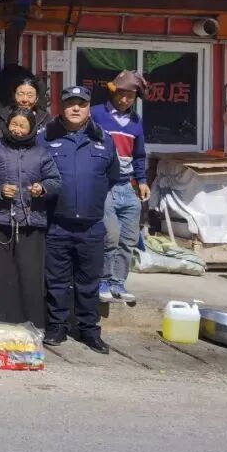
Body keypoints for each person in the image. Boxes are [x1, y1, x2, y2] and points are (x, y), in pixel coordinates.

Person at [39, 85, 120, 353]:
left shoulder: (104, 140)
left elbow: (111, 177)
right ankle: (57, 327)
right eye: (70, 103)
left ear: (88, 108)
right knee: (56, 281)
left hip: (91, 225)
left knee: (89, 282)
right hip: (57, 223)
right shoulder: (45, 138)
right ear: (61, 107)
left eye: (81, 104)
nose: (75, 108)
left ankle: (89, 331)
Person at [0, 107, 61, 326]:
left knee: (29, 276)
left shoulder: (41, 153)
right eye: (14, 124)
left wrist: (42, 188)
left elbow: (55, 180)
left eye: (23, 126)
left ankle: (29, 325)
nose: (17, 130)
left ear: (31, 129)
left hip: (31, 220)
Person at [92, 70, 150, 304]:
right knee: (110, 236)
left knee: (128, 238)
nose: (125, 100)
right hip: (104, 185)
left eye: (131, 96)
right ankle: (103, 281)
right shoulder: (96, 113)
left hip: (128, 186)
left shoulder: (136, 121)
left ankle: (118, 283)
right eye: (121, 94)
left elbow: (139, 154)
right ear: (113, 92)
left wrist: (142, 181)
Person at [0, 73, 49, 139]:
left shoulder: (45, 119)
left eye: (30, 96)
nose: (24, 99)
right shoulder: (1, 117)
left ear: (36, 99)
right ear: (13, 95)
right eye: (20, 94)